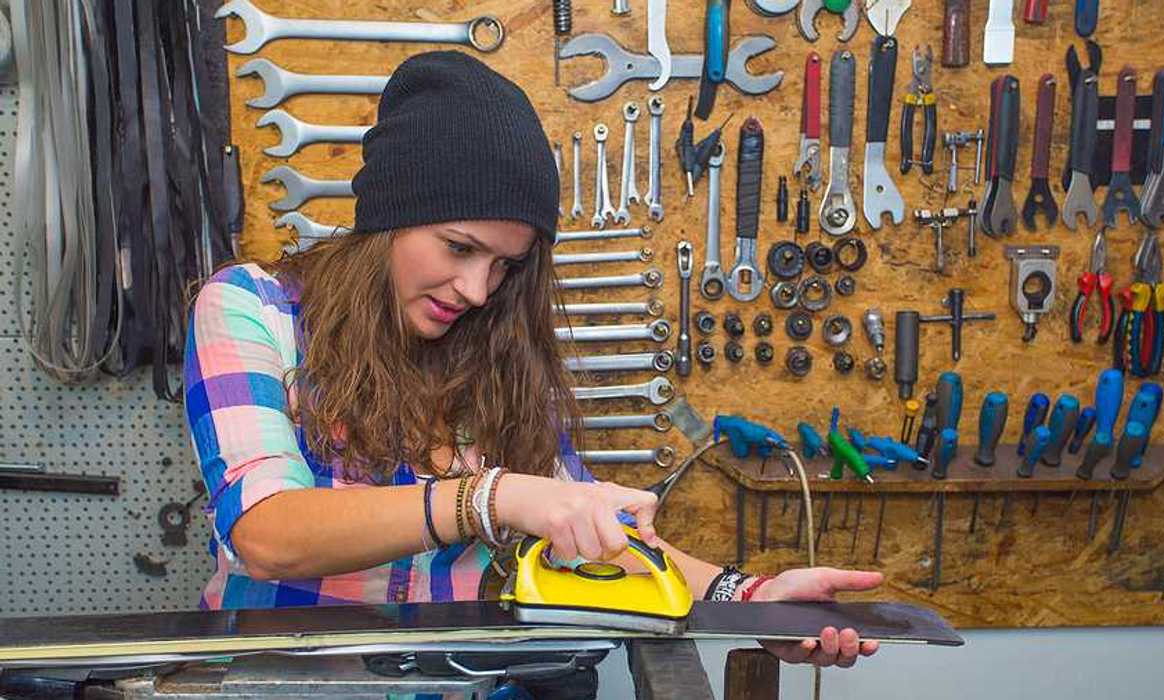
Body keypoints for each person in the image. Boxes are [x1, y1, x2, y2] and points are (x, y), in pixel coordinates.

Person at [184, 51, 882, 687]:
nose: (477, 291)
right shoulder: (253, 309)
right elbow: (266, 533)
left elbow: (594, 538)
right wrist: (490, 498)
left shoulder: (492, 347)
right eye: (458, 247)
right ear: (389, 216)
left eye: (504, 265)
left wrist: (747, 599)